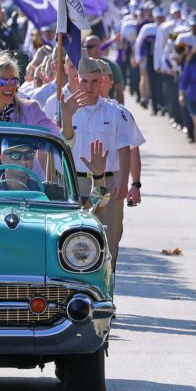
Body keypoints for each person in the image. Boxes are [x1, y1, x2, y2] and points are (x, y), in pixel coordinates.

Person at [66, 58, 145, 268]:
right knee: (74, 239)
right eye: (84, 81)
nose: (89, 87)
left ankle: (106, 290)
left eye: (94, 81)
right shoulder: (67, 109)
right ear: (77, 80)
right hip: (76, 183)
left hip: (107, 184)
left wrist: (123, 181)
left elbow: (125, 148)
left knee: (108, 239)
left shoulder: (115, 112)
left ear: (102, 81)